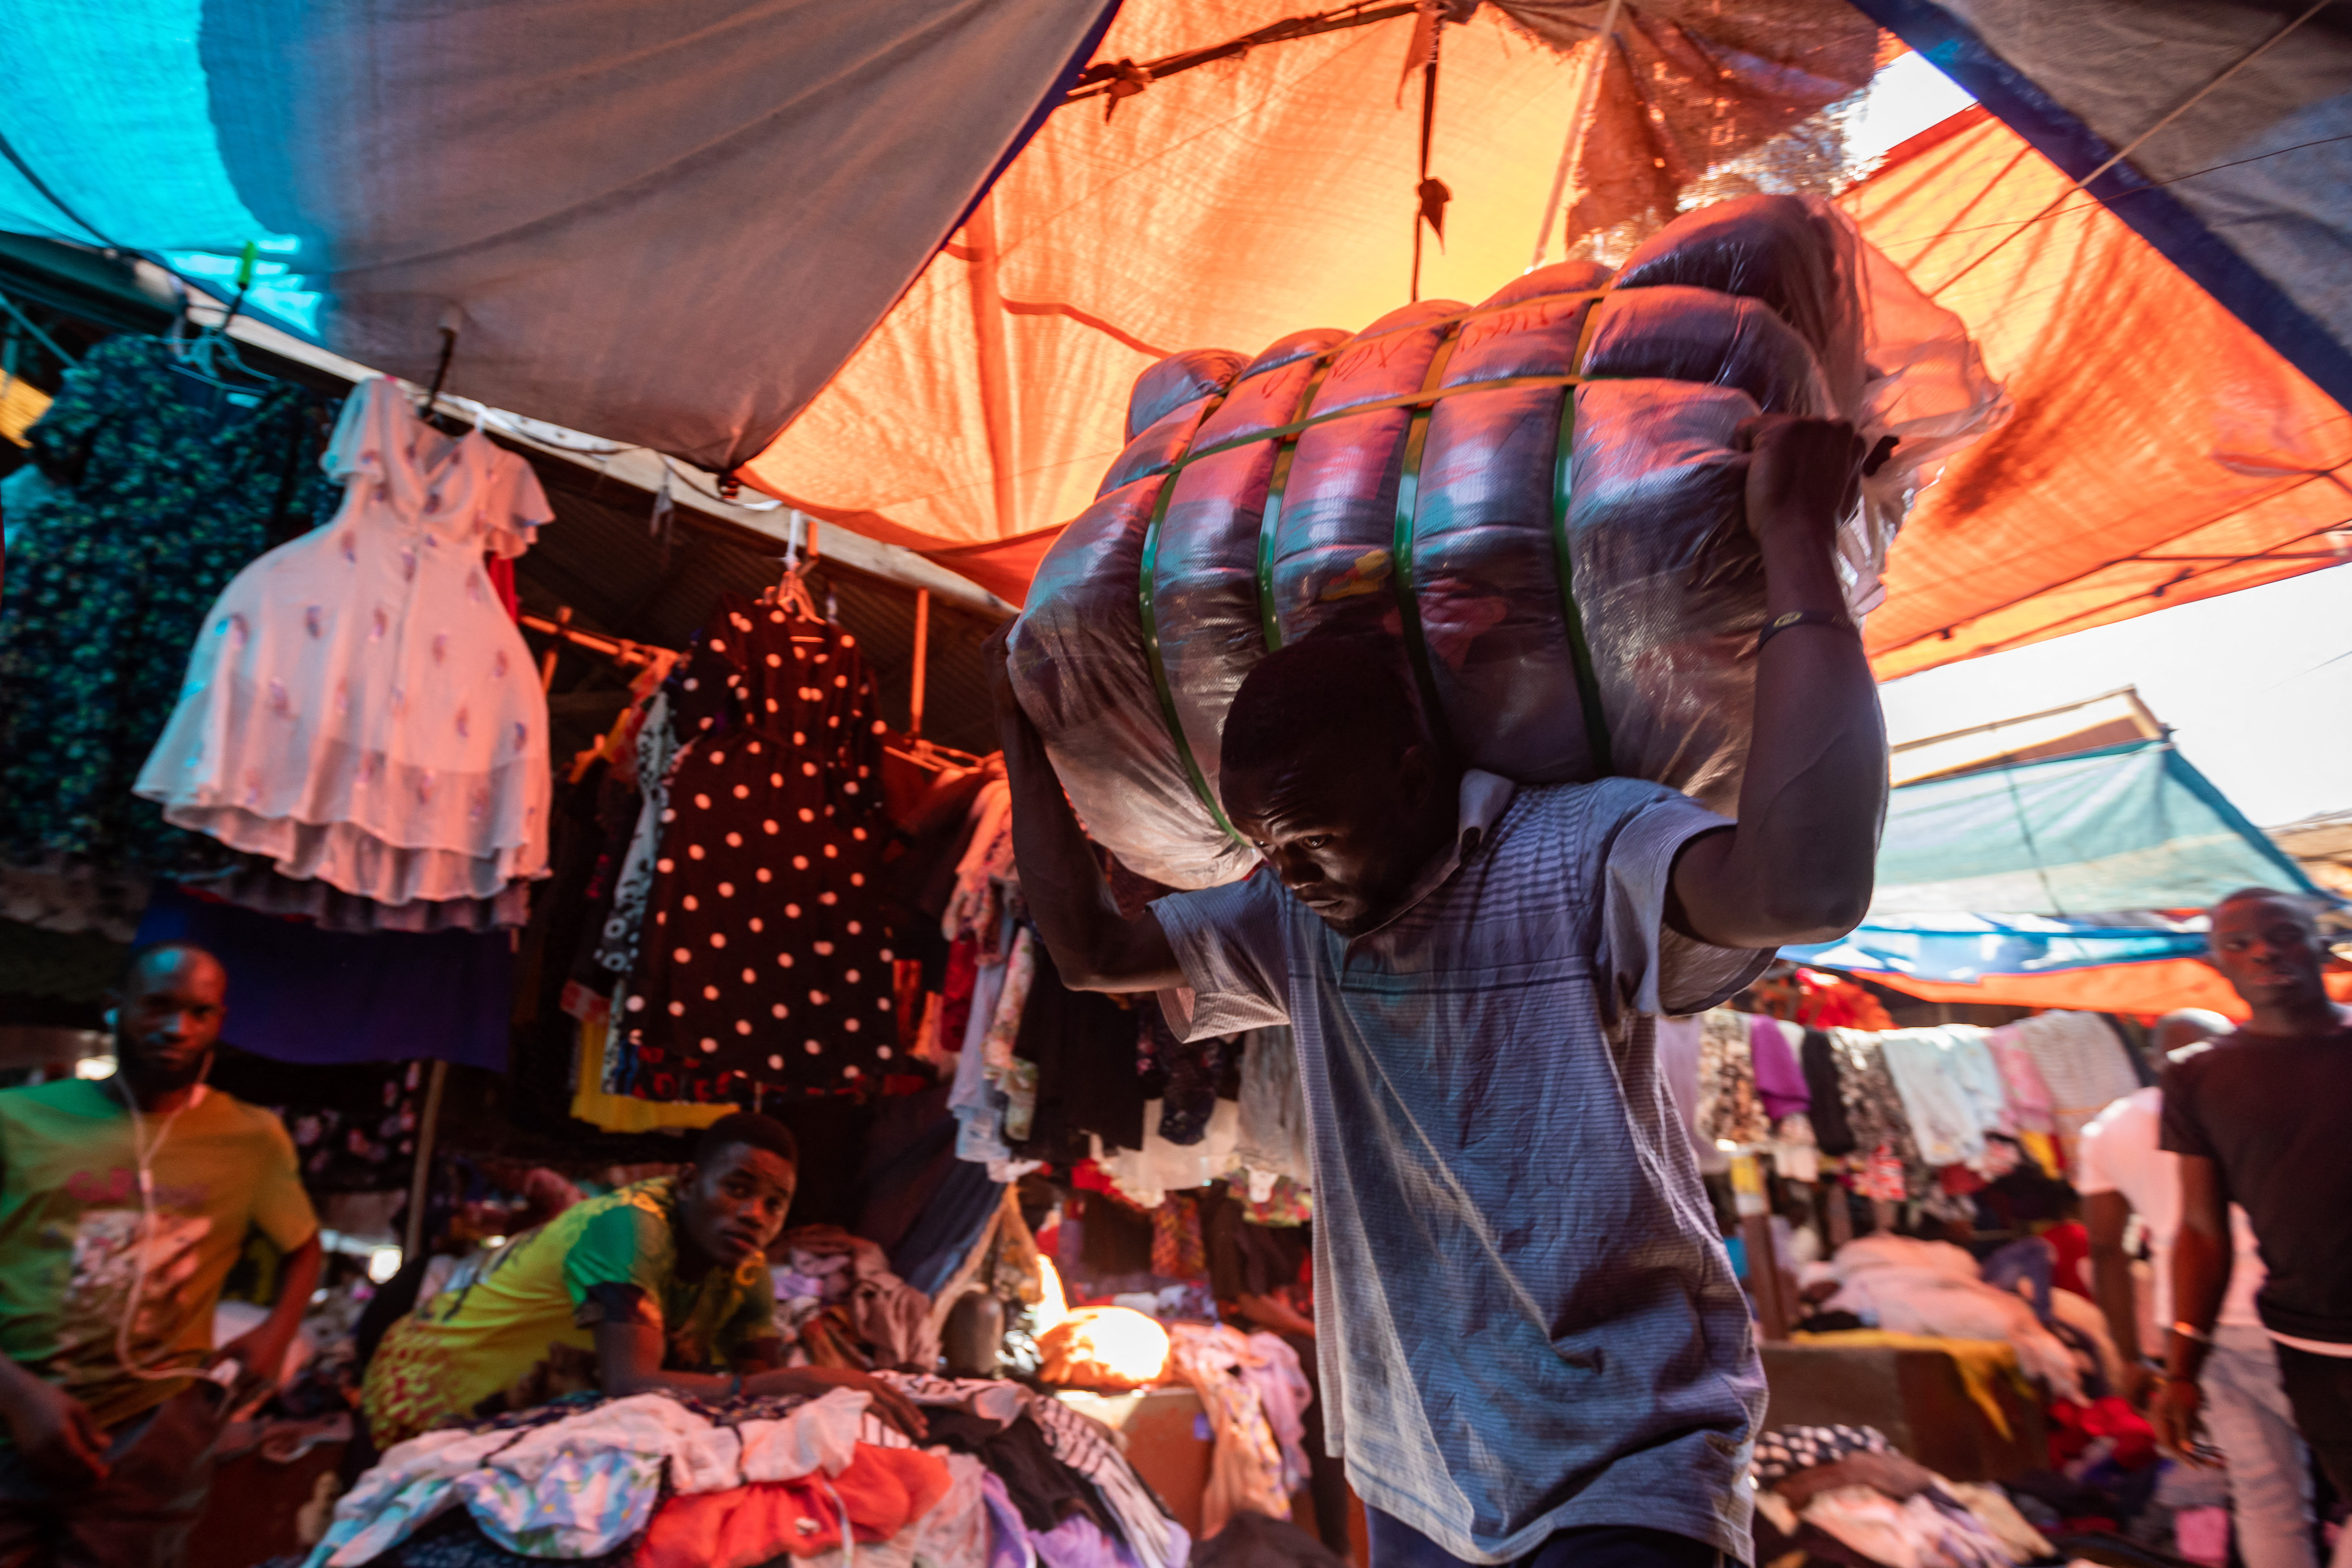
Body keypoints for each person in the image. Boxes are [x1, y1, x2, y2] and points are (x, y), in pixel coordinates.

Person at [994, 416, 1888, 1568]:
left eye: (1314, 839)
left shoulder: (1577, 848)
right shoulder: (1295, 915)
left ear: (1416, 772)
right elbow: (1089, 951)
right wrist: (1021, 725)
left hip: (1624, 1452)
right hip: (1414, 1459)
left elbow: (1804, 880)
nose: (1293, 877)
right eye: (1270, 850)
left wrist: (1797, 541)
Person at [0, 943, 324, 1566]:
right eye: (158, 1006)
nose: (178, 1028)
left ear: (219, 1022)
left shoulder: (251, 1137)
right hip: (16, 1414)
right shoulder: (18, 1118)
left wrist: (276, 1333)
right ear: (114, 1009)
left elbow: (303, 1245)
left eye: (200, 1012)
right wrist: (15, 1393)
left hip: (153, 1432)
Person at [360, 1112, 923, 1447]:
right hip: (420, 1397)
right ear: (686, 1180)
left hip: (513, 1422)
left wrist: (818, 1390)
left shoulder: (744, 1266)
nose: (755, 1212)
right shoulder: (627, 1226)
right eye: (739, 1186)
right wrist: (801, 1381)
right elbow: (629, 1381)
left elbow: (764, 1384)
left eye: (775, 1202)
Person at [2083, 1010, 2328, 1568]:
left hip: (2194, 1328)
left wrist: (2128, 1354)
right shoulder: (2261, 1103)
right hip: (2291, 1315)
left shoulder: (2110, 1126)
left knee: (2263, 1492)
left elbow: (2104, 1249)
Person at [2154, 889, 2352, 1568]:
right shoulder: (2197, 1078)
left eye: (2281, 934)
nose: (2262, 950)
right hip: (2309, 1344)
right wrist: (2180, 1368)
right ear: (2218, 963)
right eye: (2237, 944)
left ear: (2321, 946)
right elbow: (2201, 1231)